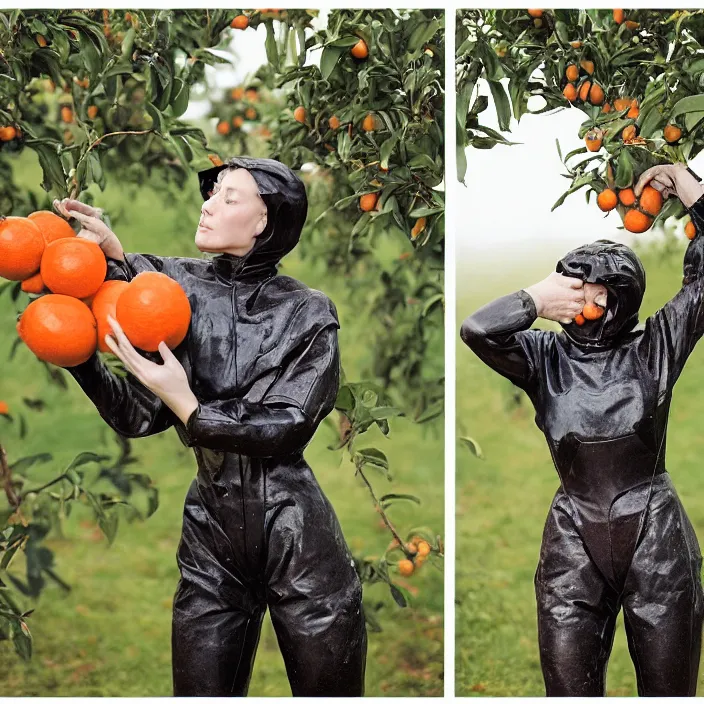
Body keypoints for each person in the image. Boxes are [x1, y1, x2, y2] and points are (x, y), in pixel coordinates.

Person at [54, 157, 367, 696]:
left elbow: (288, 425)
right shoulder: (176, 287)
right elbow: (137, 413)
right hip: (211, 537)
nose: (208, 204)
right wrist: (76, 348)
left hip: (296, 537)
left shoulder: (308, 313)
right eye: (212, 192)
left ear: (264, 222)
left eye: (229, 197)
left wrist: (192, 408)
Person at [460, 162, 704, 696]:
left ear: (620, 299)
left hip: (654, 534)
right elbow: (477, 329)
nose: (580, 304)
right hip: (573, 534)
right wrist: (535, 299)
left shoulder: (655, 348)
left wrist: (686, 186)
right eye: (572, 289)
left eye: (595, 293)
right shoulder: (543, 357)